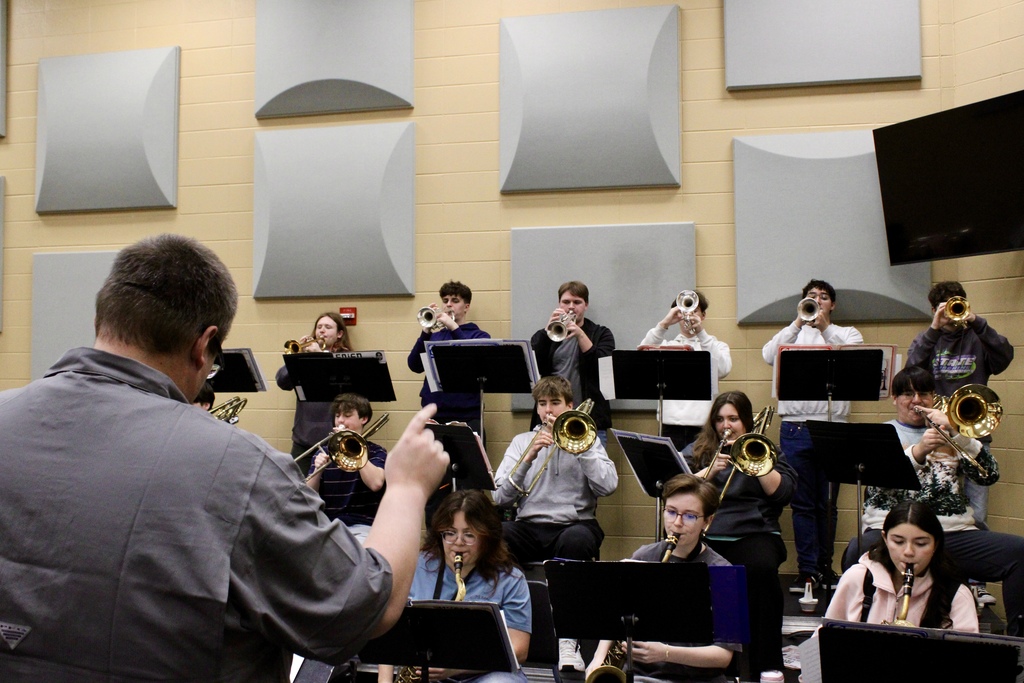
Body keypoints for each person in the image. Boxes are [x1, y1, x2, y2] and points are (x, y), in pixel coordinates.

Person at [0, 234, 450, 681]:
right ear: (204, 344)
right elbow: (363, 606)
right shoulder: (239, 467)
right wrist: (408, 489)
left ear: (104, 317)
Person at [840, 366, 1024, 637]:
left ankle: (1018, 642)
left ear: (934, 397)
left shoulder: (955, 434)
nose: (916, 400)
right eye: (906, 394)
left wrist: (958, 433)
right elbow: (879, 486)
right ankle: (854, 632)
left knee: (1019, 552)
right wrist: (919, 451)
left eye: (923, 393)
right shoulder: (882, 433)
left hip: (952, 533)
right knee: (857, 549)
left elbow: (989, 475)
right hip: (893, 533)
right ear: (894, 398)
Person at [493, 375, 618, 672]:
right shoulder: (522, 441)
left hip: (575, 523)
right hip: (529, 524)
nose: (549, 410)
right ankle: (510, 627)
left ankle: (568, 639)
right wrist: (529, 456)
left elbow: (608, 485)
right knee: (498, 535)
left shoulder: (585, 436)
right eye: (543, 404)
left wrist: (583, 448)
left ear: (569, 406)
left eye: (555, 403)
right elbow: (499, 496)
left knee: (576, 541)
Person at [683, 392, 796, 679]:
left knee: (760, 570)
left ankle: (766, 665)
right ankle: (710, 664)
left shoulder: (765, 449)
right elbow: (675, 491)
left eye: (733, 419)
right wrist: (705, 474)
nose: (726, 426)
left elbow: (783, 493)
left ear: (745, 421)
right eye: (720, 419)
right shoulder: (698, 450)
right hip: (710, 533)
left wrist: (755, 463)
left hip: (755, 531)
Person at [761, 278, 863, 592]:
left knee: (828, 504)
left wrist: (823, 329)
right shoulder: (791, 333)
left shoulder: (845, 333)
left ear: (832, 304)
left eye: (822, 297)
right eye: (810, 297)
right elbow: (768, 354)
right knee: (803, 504)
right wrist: (798, 323)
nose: (816, 300)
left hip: (833, 429)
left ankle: (825, 566)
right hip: (795, 427)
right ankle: (807, 571)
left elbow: (853, 357)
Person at [586, 474, 738, 683]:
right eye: (671, 512)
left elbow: (723, 657)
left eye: (690, 516)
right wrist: (599, 659)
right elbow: (617, 615)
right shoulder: (644, 556)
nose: (677, 523)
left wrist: (665, 653)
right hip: (641, 675)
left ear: (707, 521)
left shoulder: (722, 572)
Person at [378, 490, 531, 683]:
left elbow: (519, 649)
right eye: (449, 533)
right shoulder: (416, 566)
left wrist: (454, 668)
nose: (458, 543)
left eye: (469, 535)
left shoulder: (510, 579)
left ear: (487, 537)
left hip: (488, 675)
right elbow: (388, 633)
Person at [905, 281, 1013, 532]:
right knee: (934, 511)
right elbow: (911, 373)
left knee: (978, 513)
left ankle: (974, 569)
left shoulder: (978, 336)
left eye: (957, 304)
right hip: (935, 435)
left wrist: (976, 321)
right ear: (933, 309)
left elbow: (1005, 356)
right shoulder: (926, 339)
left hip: (974, 433)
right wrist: (934, 329)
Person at [828, 501, 978, 631]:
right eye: (898, 542)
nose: (908, 552)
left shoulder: (956, 595)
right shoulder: (858, 578)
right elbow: (820, 643)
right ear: (885, 539)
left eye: (921, 544)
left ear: (936, 544)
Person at [638, 290, 733, 449]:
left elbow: (723, 369)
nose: (688, 315)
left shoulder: (717, 346)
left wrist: (701, 334)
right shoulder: (666, 347)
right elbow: (641, 355)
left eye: (694, 310)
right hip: (670, 425)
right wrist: (664, 324)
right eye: (683, 310)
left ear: (703, 316)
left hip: (703, 428)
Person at [530, 281, 615, 445]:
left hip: (590, 420)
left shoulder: (601, 334)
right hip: (551, 418)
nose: (571, 307)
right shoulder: (545, 335)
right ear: (559, 304)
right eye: (566, 302)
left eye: (577, 302)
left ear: (586, 305)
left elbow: (603, 370)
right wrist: (547, 334)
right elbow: (535, 368)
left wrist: (580, 335)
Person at [408, 280, 492, 433]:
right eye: (445, 301)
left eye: (455, 300)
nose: (448, 304)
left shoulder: (478, 335)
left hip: (467, 415)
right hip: (434, 414)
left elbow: (474, 361)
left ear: (466, 307)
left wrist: (453, 327)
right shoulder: (434, 336)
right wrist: (425, 332)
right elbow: (414, 365)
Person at [307, 392, 387, 543]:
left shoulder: (376, 452)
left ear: (364, 419)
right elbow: (307, 495)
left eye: (347, 415)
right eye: (337, 416)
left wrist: (356, 451)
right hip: (328, 526)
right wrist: (318, 471)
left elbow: (376, 484)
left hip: (363, 527)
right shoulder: (323, 451)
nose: (340, 421)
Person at [276, 311, 353, 458]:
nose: (322, 330)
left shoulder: (345, 358)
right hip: (303, 440)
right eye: (319, 327)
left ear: (339, 334)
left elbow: (344, 390)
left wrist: (321, 355)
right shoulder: (305, 357)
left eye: (328, 327)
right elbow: (282, 382)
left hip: (335, 439)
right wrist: (297, 358)